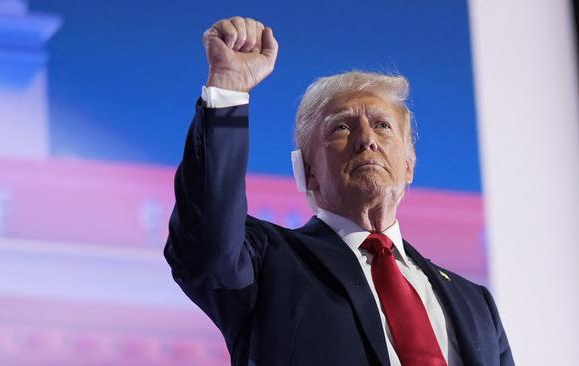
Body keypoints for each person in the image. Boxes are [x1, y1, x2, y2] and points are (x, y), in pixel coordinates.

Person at [164, 16, 514, 366]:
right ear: (309, 172)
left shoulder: (475, 304)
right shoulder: (266, 262)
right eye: (342, 127)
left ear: (409, 165)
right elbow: (207, 237)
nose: (367, 140)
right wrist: (228, 87)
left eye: (382, 125)